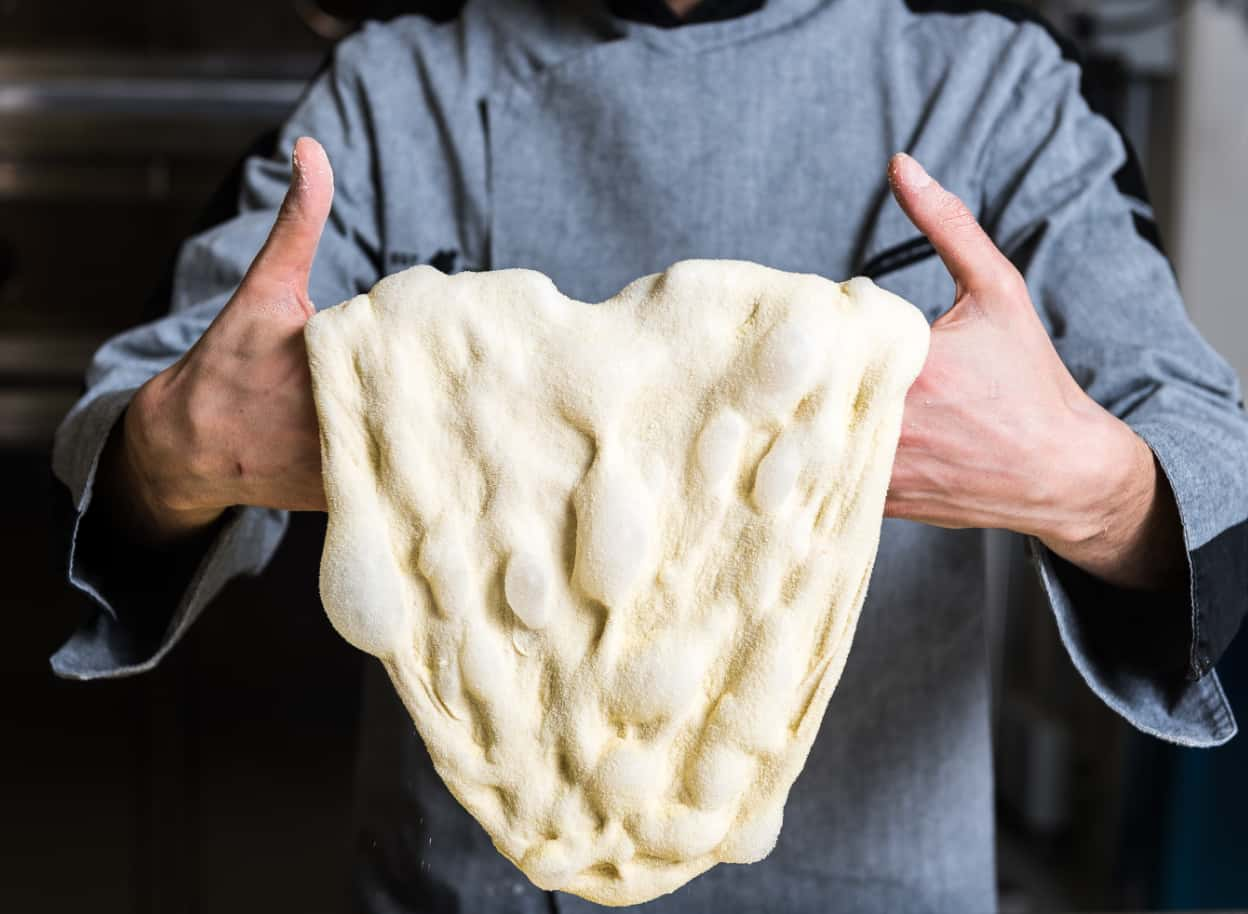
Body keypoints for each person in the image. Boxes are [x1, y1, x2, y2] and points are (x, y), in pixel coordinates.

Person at [50, 0, 1248, 910]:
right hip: (477, 874)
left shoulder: (992, 91)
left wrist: (1081, 484)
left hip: (869, 876)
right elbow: (132, 421)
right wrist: (179, 453)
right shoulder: (388, 95)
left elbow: (1207, 448)